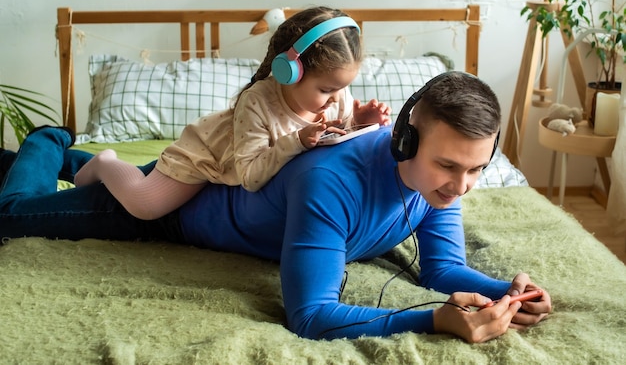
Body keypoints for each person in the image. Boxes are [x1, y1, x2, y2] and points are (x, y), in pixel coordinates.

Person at [0, 71, 552, 342]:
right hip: (171, 206)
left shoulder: (440, 187)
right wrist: (434, 319)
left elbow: (439, 268)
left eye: (477, 168)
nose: (461, 187)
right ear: (406, 141)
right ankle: (48, 141)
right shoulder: (330, 183)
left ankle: (77, 160)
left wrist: (508, 290)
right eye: (449, 166)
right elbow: (309, 316)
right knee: (14, 213)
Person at [73, 6, 392, 220]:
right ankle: (106, 162)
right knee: (145, 205)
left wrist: (359, 122)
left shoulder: (336, 93)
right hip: (205, 156)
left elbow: (336, 135)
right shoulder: (257, 102)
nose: (336, 98)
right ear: (289, 72)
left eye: (343, 88)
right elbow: (250, 177)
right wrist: (295, 141)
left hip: (240, 157)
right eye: (326, 90)